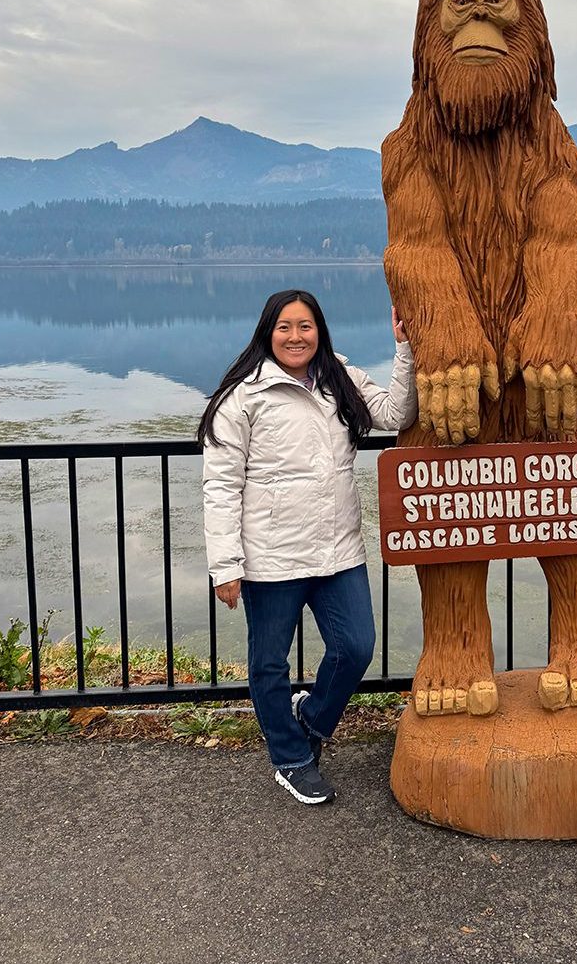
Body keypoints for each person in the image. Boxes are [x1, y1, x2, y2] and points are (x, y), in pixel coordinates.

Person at [198, 289, 416, 805]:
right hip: (271, 556)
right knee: (269, 662)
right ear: (267, 333)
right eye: (285, 328)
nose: (296, 337)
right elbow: (221, 485)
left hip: (339, 549)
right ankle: (291, 759)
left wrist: (403, 349)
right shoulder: (242, 397)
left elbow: (395, 413)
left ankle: (311, 723)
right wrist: (225, 564)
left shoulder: (337, 378)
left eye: (305, 327)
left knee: (356, 646)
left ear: (320, 331)